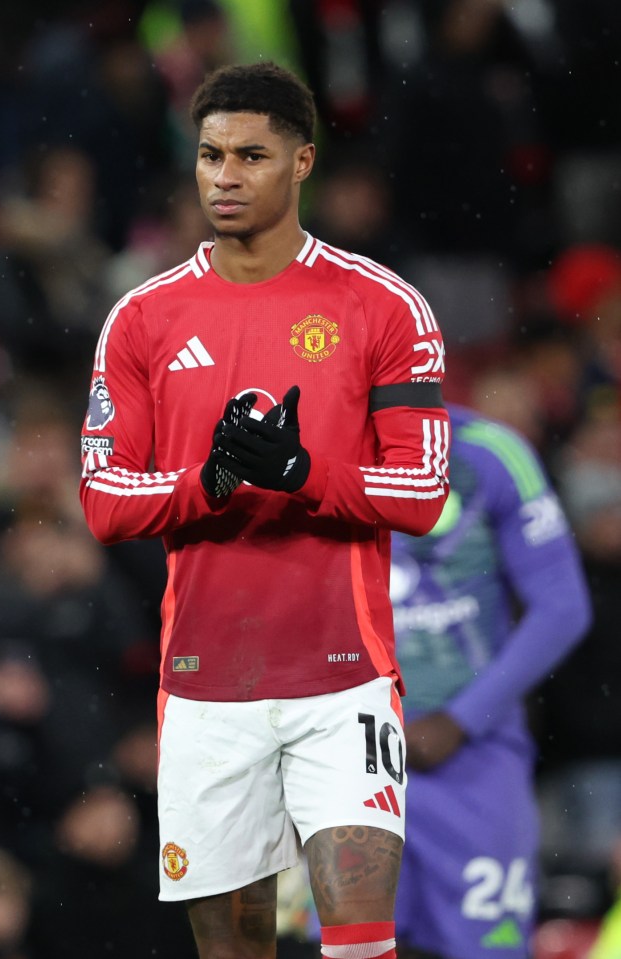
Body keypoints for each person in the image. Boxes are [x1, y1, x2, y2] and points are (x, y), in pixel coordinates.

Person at [79, 61, 450, 959]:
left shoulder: (382, 306)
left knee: (360, 943)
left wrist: (302, 472)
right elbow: (102, 500)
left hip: (342, 681)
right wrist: (204, 485)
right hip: (208, 688)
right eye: (209, 156)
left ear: (302, 162)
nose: (224, 176)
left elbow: (422, 491)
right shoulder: (143, 319)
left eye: (250, 155)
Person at [389, 403, 592, 958]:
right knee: (350, 948)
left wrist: (460, 720)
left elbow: (563, 607)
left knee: (487, 950)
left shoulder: (491, 451)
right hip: (346, 763)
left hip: (473, 760)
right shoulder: (302, 456)